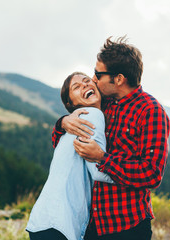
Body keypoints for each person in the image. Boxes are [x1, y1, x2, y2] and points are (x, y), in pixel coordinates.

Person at [52, 37, 170, 239]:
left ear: (118, 79)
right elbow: (60, 143)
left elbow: (152, 174)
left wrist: (102, 158)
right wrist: (63, 122)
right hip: (89, 224)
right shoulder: (99, 102)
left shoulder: (151, 111)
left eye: (98, 74)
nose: (94, 79)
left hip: (127, 227)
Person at [26, 72, 115, 240]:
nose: (85, 85)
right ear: (70, 103)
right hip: (59, 224)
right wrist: (134, 179)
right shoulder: (92, 115)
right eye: (77, 87)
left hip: (43, 220)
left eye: (87, 81)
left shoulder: (71, 126)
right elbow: (98, 170)